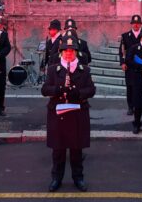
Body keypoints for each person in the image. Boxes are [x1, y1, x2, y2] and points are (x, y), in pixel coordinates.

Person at [41, 35, 95, 193]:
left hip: (77, 113)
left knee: (76, 149)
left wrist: (78, 93)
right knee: (58, 149)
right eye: (65, 50)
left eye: (72, 51)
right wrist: (57, 90)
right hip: (58, 113)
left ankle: (78, 177)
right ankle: (56, 178)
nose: (68, 53)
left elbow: (91, 90)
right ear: (61, 52)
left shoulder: (84, 70)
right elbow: (45, 90)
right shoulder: (53, 69)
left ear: (76, 52)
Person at [119, 15, 142, 115]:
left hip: (141, 66)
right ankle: (130, 107)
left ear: (140, 24)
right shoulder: (125, 36)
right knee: (130, 87)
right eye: (134, 23)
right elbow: (121, 51)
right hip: (130, 66)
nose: (136, 25)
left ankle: (141, 106)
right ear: (131, 24)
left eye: (138, 23)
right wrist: (122, 62)